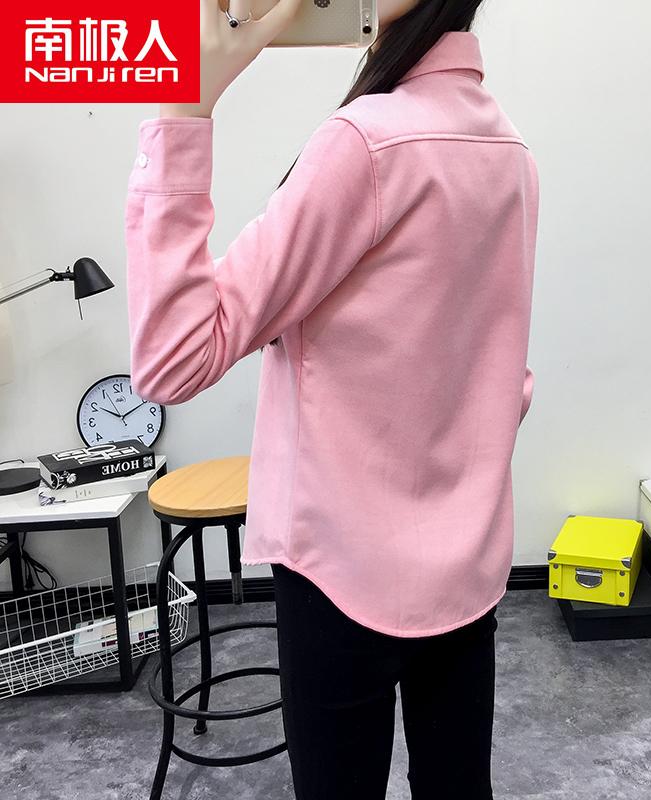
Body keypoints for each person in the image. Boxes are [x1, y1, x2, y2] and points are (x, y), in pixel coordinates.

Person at [125, 0, 539, 797]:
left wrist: (183, 111)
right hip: (469, 562)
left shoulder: (364, 144)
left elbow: (173, 360)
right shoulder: (509, 146)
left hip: (342, 570)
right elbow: (501, 371)